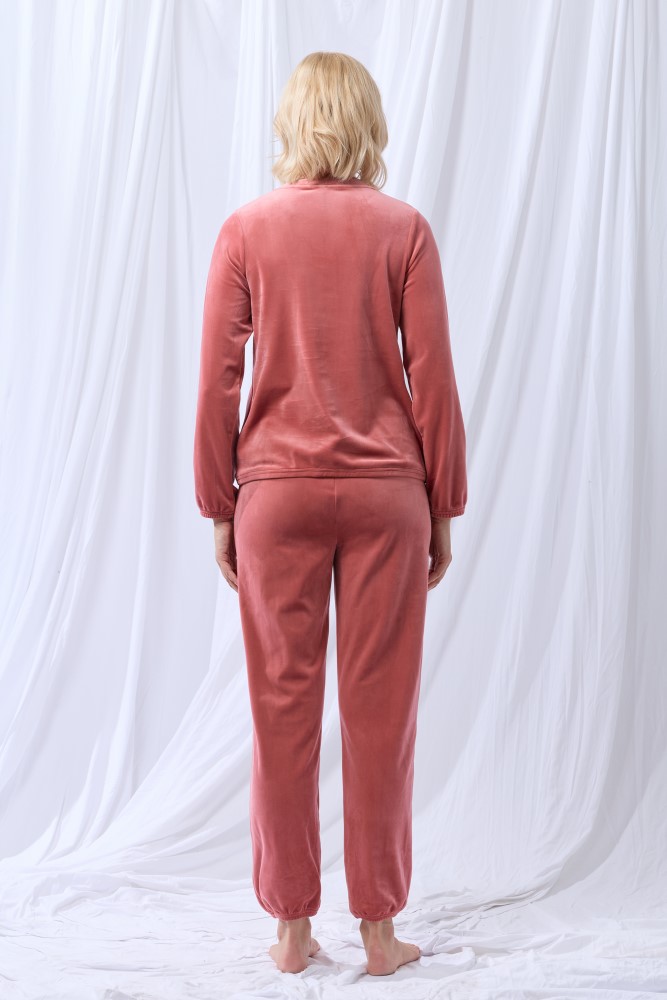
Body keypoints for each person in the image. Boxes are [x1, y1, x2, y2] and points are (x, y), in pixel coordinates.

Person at [193, 51, 467, 977]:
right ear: (367, 124)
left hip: (275, 494)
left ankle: (291, 929)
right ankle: (379, 932)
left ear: (291, 122)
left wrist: (219, 501)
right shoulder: (403, 230)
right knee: (381, 714)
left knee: (282, 708)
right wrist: (443, 501)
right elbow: (432, 377)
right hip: (388, 493)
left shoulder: (246, 229)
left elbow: (217, 379)